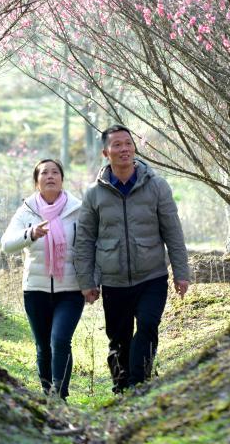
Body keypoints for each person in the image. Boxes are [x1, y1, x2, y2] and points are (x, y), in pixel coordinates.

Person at [74, 125, 191, 393]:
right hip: (114, 279)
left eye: (128, 143)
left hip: (152, 275)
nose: (124, 149)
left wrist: (181, 272)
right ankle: (121, 387)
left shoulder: (157, 186)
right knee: (118, 337)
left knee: (149, 325)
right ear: (106, 152)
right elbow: (84, 240)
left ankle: (139, 384)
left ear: (134, 148)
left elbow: (173, 232)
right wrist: (87, 280)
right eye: (117, 145)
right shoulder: (94, 194)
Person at [1, 158, 84, 400]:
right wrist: (31, 234)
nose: (50, 176)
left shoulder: (78, 210)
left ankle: (60, 396)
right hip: (35, 290)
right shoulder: (27, 211)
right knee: (43, 347)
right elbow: (6, 244)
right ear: (37, 182)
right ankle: (47, 394)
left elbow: (89, 247)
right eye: (44, 173)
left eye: (55, 172)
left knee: (59, 340)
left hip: (70, 289)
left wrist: (91, 282)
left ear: (62, 179)